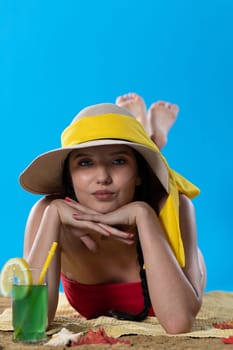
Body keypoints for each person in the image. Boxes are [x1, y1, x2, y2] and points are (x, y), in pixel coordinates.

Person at [20, 94, 206, 335]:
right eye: (85, 163)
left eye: (119, 160)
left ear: (139, 173)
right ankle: (147, 136)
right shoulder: (46, 213)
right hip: (98, 196)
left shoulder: (174, 207)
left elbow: (179, 322)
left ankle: (151, 140)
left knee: (152, 184)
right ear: (70, 176)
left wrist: (144, 215)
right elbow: (28, 324)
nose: (102, 177)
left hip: (168, 246)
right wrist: (53, 216)